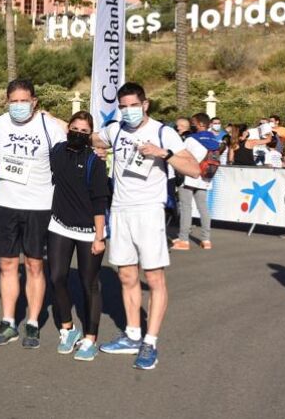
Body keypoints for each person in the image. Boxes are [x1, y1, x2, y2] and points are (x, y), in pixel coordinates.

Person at [93, 83, 200, 371]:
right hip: (120, 210)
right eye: (123, 106)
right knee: (126, 275)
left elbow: (194, 169)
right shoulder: (115, 130)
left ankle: (149, 342)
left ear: (145, 104)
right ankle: (132, 335)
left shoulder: (163, 132)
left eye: (133, 105)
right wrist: (96, 148)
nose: (128, 111)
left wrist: (163, 153)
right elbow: (92, 137)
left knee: (153, 278)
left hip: (150, 211)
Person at [0, 79, 66, 349]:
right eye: (14, 101)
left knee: (34, 265)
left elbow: (74, 142)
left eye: (24, 101)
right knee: (7, 265)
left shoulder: (49, 126)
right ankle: (8, 321)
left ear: (34, 101)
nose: (19, 106)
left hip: (39, 206)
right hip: (6, 204)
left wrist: (56, 118)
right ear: (7, 102)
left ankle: (32, 322)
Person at [48, 111, 109, 361]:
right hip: (60, 225)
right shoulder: (57, 151)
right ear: (68, 129)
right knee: (57, 277)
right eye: (75, 129)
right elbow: (54, 123)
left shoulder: (95, 160)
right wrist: (43, 113)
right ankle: (68, 329)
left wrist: (99, 237)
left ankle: (90, 338)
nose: (78, 134)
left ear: (90, 135)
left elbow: (99, 201)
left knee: (89, 283)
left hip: (88, 230)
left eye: (84, 131)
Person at [172, 112, 220, 251]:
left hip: (189, 176)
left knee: (186, 207)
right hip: (205, 176)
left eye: (193, 123)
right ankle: (206, 239)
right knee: (203, 208)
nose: (192, 125)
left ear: (200, 124)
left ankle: (183, 239)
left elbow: (181, 157)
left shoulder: (191, 139)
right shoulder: (214, 140)